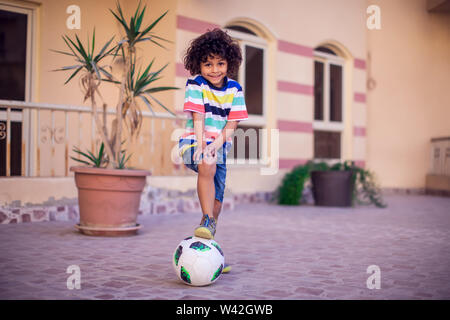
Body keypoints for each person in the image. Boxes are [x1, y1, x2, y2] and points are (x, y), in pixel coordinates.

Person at [178, 29, 249, 273]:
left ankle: (209, 253)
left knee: (217, 203)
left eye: (220, 63)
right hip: (193, 141)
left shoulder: (235, 90)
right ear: (199, 64)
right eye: (208, 64)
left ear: (229, 63)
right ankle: (207, 220)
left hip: (218, 146)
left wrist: (215, 147)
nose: (214, 69)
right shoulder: (196, 84)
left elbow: (232, 124)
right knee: (206, 164)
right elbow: (198, 117)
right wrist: (201, 146)